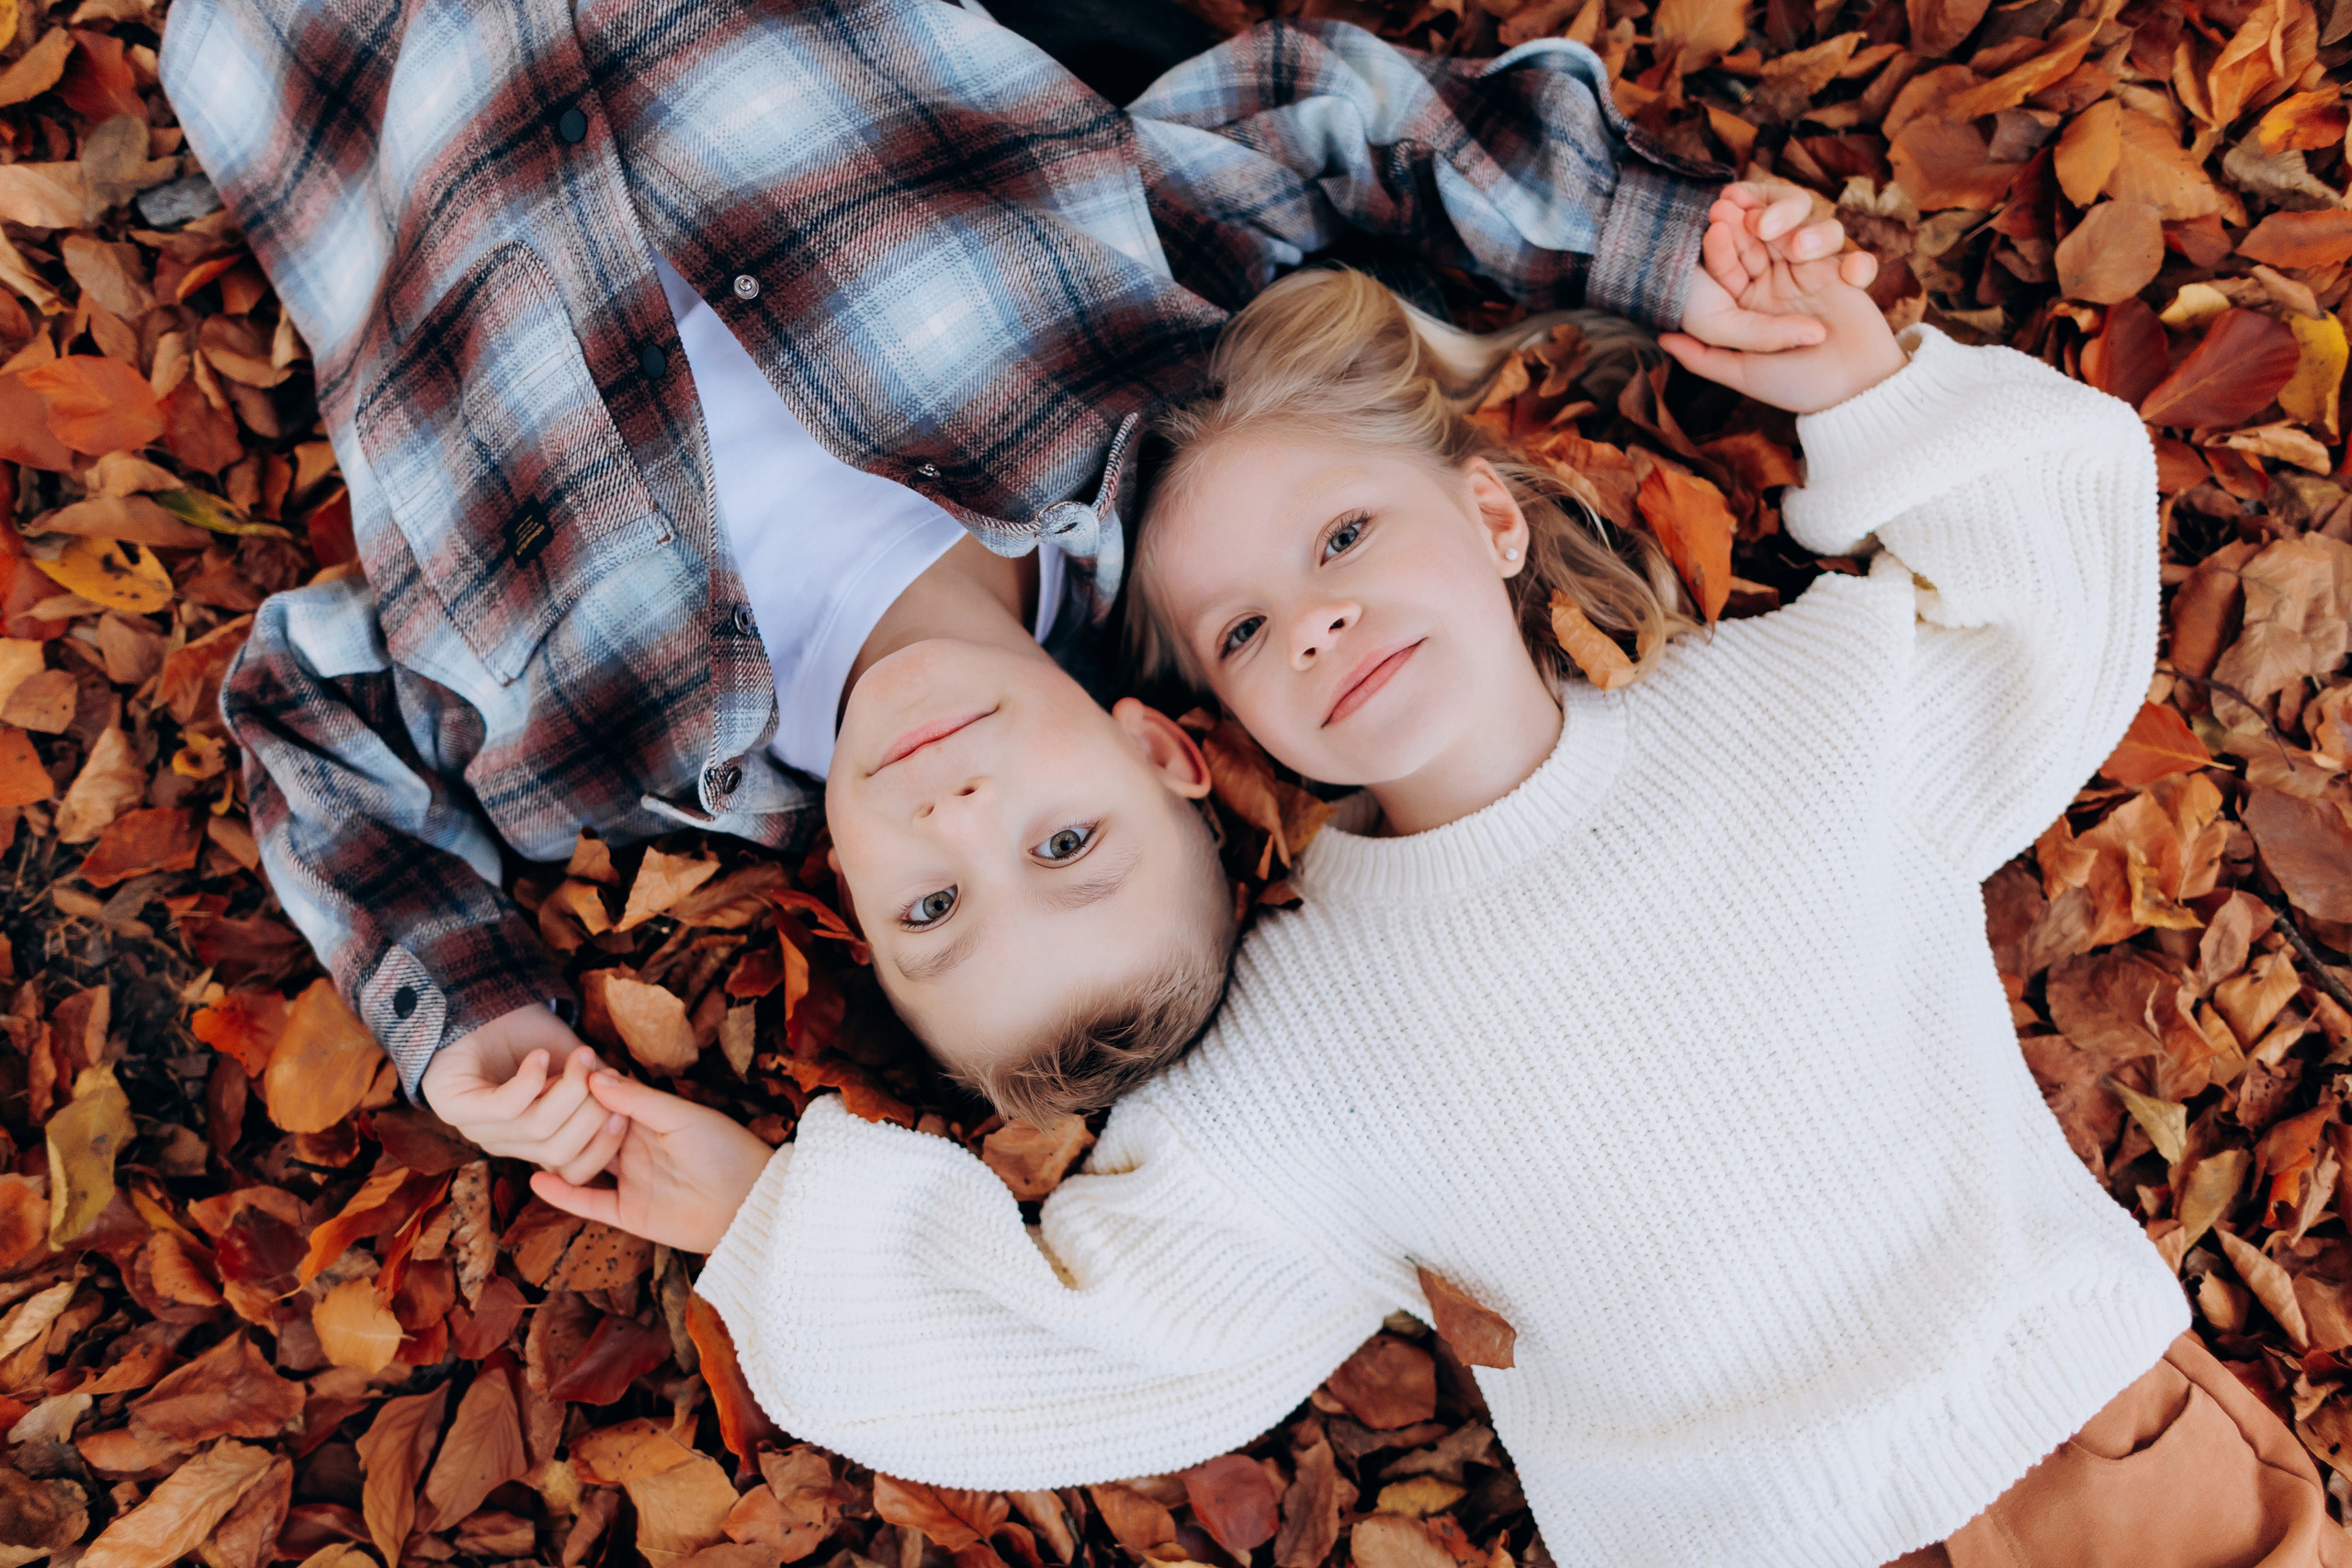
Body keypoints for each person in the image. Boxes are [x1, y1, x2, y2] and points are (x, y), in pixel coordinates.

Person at [526, 202, 2352, 1566]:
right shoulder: (1292, 1035)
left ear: (1487, 516)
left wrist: (1869, 389)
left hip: (2092, 1446)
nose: (1315, 616)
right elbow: (1123, 1343)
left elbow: (2049, 611)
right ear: (1208, 724)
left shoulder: (1797, 714)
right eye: (1245, 628)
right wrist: (765, 1223)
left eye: (1343, 536)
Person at [161, 0, 1860, 1171]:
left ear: (849, 900)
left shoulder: (593, 749)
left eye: (932, 912)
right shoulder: (1137, 402)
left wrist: (462, 1014)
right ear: (1158, 749)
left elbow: (309, 718)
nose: (961, 817)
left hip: (321, 49)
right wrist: (1652, 243)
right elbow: (1312, 119)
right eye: (1062, 846)